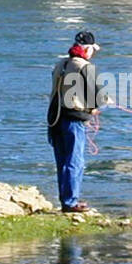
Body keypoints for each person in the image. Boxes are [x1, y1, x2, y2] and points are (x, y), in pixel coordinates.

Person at [46, 30, 107, 212]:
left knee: (62, 161)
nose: (93, 53)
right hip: (74, 120)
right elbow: (98, 97)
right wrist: (98, 106)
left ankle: (66, 201)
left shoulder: (60, 64)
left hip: (55, 119)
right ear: (87, 49)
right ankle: (71, 202)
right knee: (75, 161)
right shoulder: (85, 67)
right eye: (92, 50)